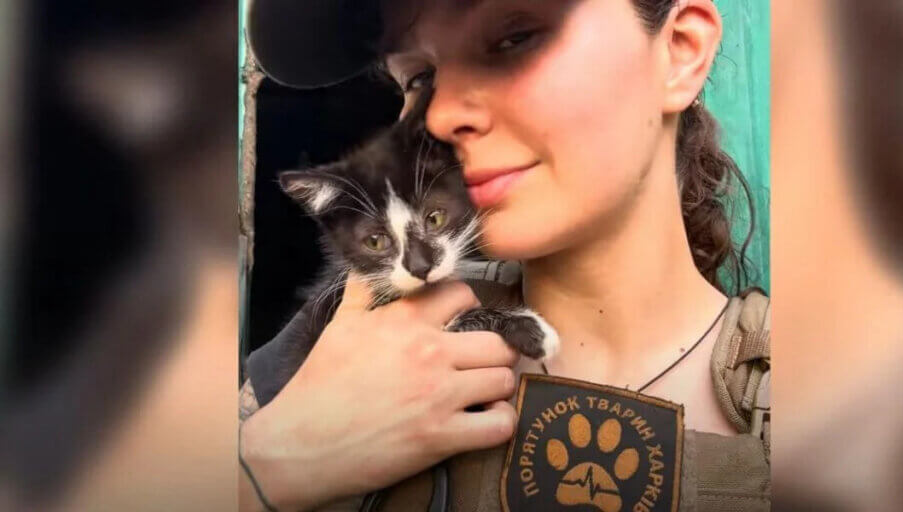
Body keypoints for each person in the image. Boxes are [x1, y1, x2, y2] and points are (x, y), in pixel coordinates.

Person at [239, 0, 769, 510]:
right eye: (419, 78)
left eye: (513, 39)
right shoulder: (337, 345)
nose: (441, 115)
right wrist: (273, 467)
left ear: (681, 50)